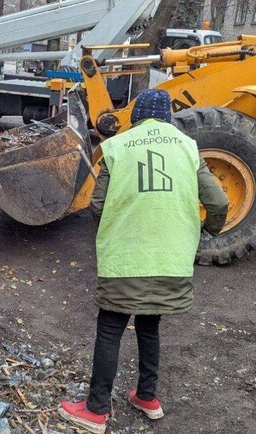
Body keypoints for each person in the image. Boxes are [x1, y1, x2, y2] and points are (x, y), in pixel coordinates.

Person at [58, 89, 229, 434]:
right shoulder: (188, 147)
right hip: (171, 259)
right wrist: (204, 231)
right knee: (149, 325)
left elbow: (97, 206)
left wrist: (113, 231)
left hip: (126, 258)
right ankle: (147, 397)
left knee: (111, 328)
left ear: (137, 116)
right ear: (167, 116)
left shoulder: (117, 147)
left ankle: (95, 410)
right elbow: (219, 202)